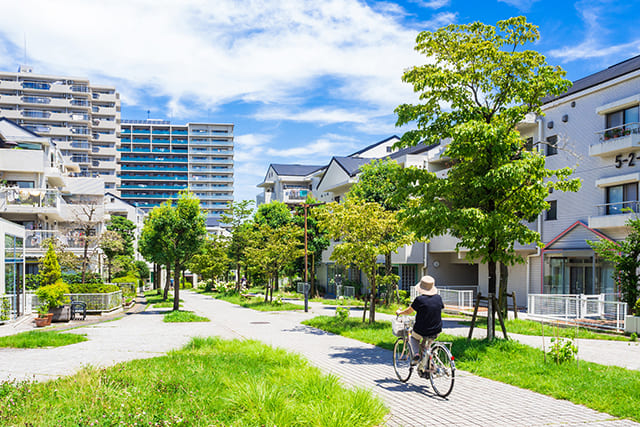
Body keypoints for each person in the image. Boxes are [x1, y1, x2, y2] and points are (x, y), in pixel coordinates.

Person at [396, 275, 444, 365]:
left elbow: (409, 311)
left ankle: (416, 355)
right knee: (427, 346)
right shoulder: (438, 298)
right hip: (436, 329)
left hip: (421, 330)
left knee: (412, 337)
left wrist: (400, 312)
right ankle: (429, 363)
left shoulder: (419, 300)